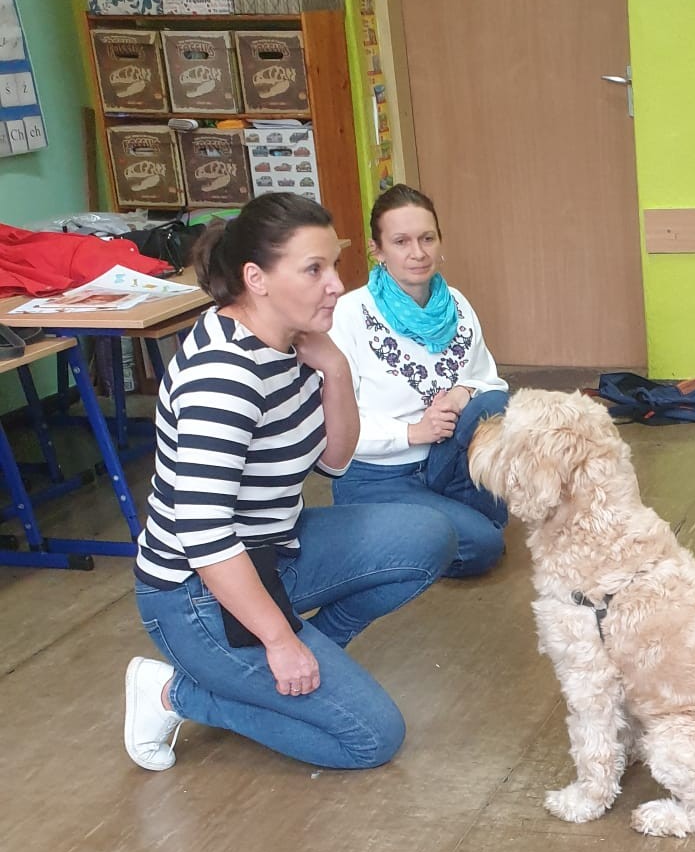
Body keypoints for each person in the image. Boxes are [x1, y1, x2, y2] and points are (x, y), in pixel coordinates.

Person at [125, 194, 456, 773]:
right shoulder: (223, 377)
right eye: (313, 269)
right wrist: (279, 641)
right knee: (371, 739)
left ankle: (304, 658)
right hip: (196, 595)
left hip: (273, 551)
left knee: (429, 535)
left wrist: (337, 370)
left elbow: (335, 459)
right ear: (256, 279)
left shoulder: (292, 340)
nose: (336, 285)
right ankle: (175, 694)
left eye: (334, 265)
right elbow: (204, 536)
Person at [329, 185, 512, 568]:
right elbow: (333, 428)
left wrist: (463, 392)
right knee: (483, 546)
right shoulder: (348, 314)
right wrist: (413, 432)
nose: (418, 252)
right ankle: (380, 533)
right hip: (378, 476)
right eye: (401, 242)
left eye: (427, 238)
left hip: (441, 463)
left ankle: (432, 523)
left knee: (495, 404)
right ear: (377, 250)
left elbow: (491, 382)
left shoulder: (457, 303)